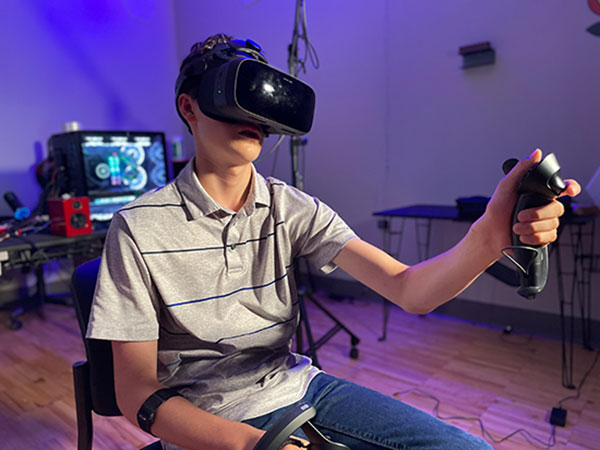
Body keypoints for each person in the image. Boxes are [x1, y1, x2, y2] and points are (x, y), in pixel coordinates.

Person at [86, 33, 581, 450]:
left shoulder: (291, 207)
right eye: (236, 93)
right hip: (205, 423)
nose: (253, 114)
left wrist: (487, 238)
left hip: (297, 389)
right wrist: (253, 445)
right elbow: (134, 393)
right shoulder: (140, 227)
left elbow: (409, 289)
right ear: (189, 107)